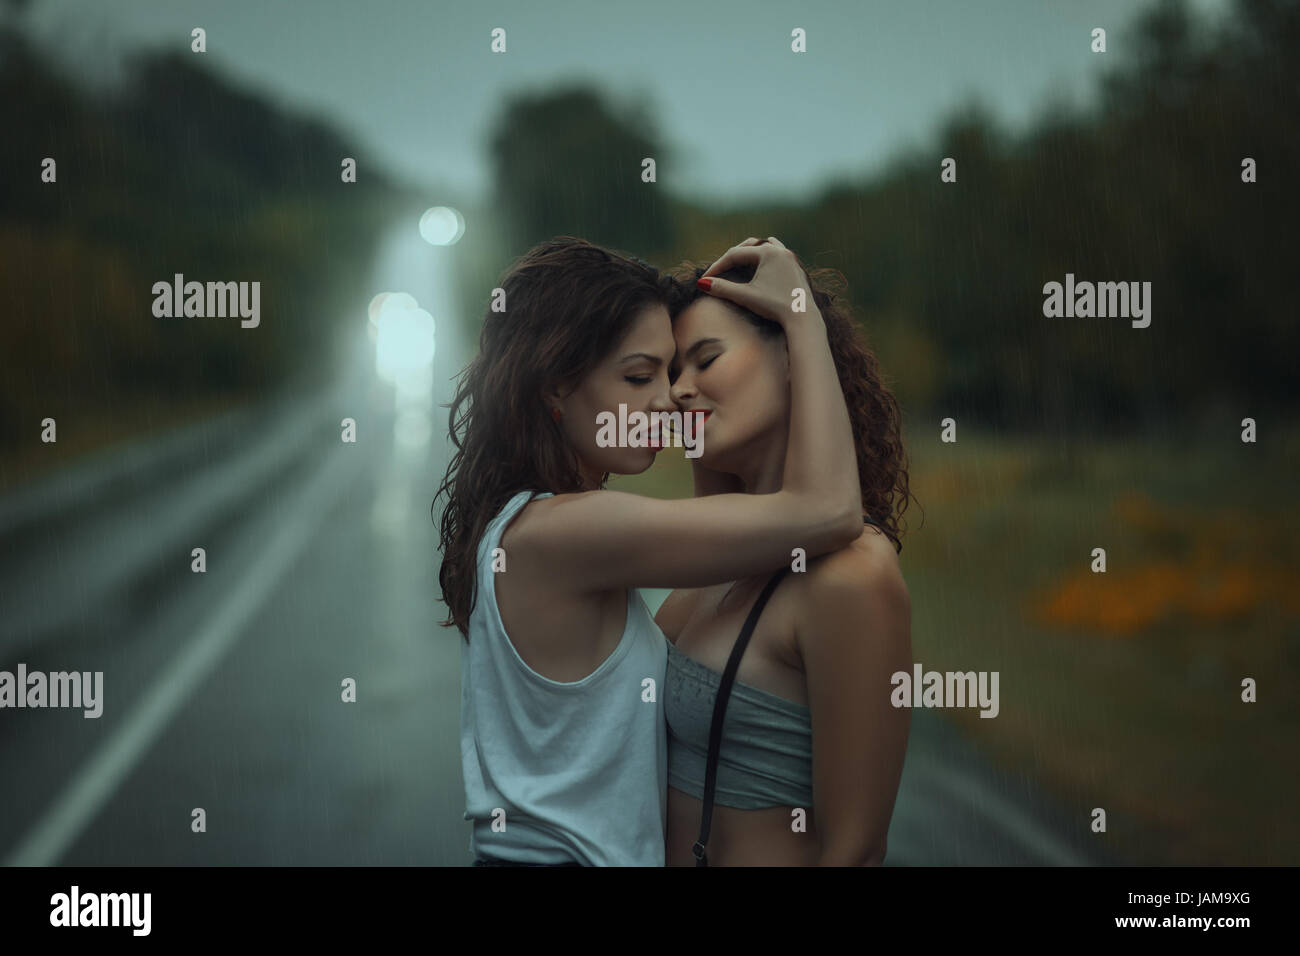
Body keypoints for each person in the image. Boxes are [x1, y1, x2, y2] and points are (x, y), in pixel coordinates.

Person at [435, 235, 862, 865]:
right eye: (639, 376)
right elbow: (829, 510)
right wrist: (800, 316)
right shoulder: (572, 532)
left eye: (675, 371)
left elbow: (716, 549)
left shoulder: (524, 526)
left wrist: (715, 430)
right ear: (555, 387)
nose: (668, 399)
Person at [657, 237, 916, 865]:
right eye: (669, 374)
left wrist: (800, 314)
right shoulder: (718, 561)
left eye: (705, 359)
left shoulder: (849, 576)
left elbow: (854, 850)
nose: (678, 392)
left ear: (794, 357)